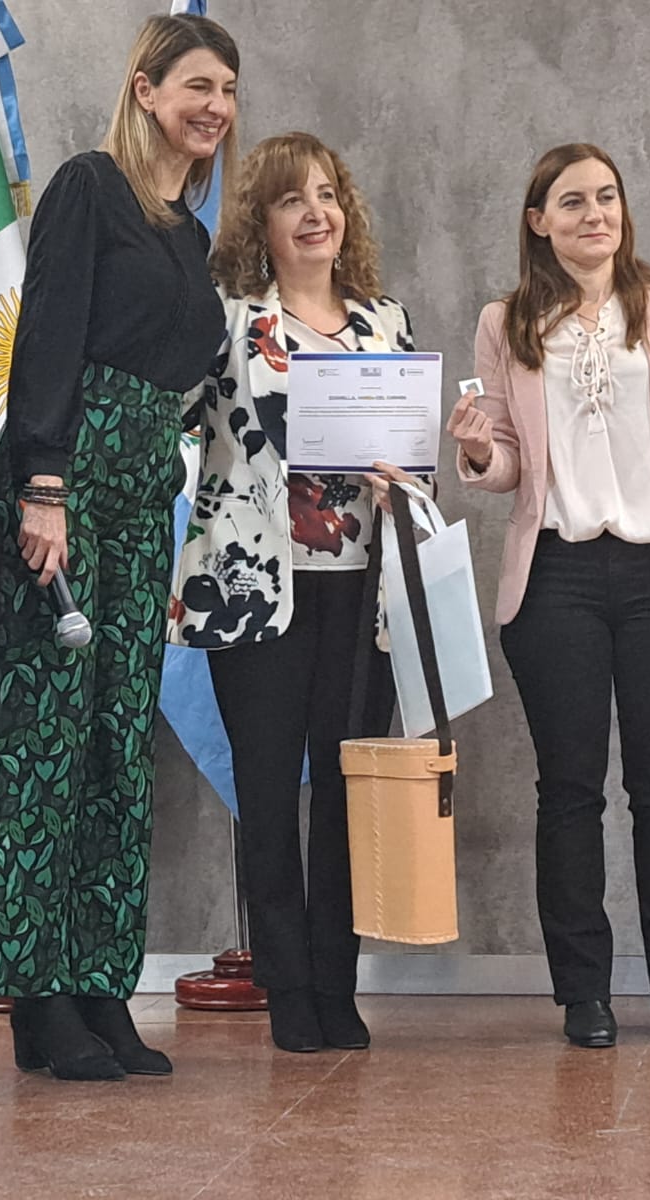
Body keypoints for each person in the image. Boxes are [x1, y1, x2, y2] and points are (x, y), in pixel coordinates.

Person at [0, 13, 239, 1081]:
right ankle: (31, 996)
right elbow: (51, 339)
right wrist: (43, 489)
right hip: (64, 493)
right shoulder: (87, 187)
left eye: (228, 92)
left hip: (141, 492)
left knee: (118, 747)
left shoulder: (188, 235)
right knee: (44, 749)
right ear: (147, 86)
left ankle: (99, 988)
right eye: (197, 85)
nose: (214, 108)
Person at [450, 143, 650, 1050]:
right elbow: (507, 469)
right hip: (557, 579)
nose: (593, 215)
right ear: (539, 222)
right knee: (569, 792)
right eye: (570, 202)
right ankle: (585, 997)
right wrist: (475, 449)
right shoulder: (507, 323)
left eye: (605, 197)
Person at [170, 132, 420, 1054]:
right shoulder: (228, 321)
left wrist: (414, 472)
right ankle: (286, 988)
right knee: (270, 794)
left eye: (328, 195)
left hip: (364, 595)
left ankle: (336, 980)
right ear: (261, 223)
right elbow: (176, 427)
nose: (317, 213)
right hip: (253, 592)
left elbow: (415, 458)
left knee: (350, 794)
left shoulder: (386, 322)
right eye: (291, 200)